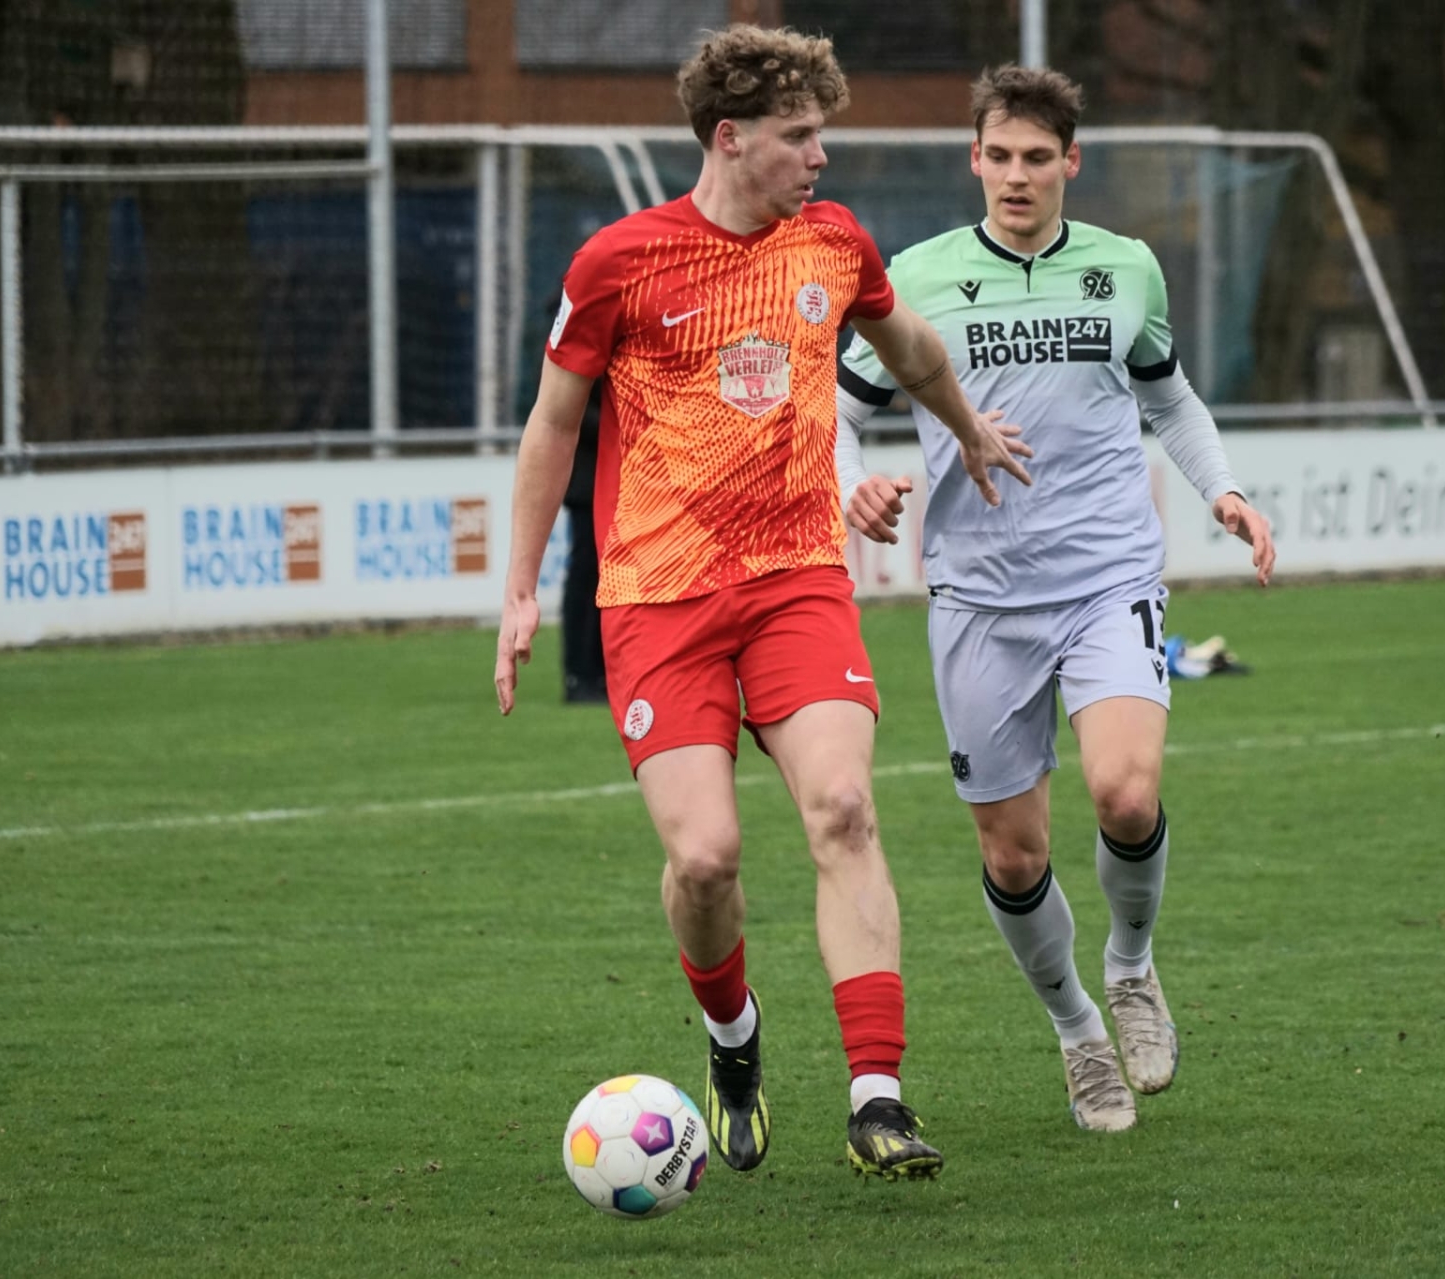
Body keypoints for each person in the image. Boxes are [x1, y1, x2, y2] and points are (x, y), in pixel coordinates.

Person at [492, 26, 1033, 1181]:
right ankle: (733, 1038)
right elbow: (552, 424)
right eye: (799, 136)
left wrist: (967, 427)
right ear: (730, 139)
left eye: (821, 134)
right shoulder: (619, 262)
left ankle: (878, 1099)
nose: (820, 157)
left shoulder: (833, 241)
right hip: (658, 598)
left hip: (797, 580)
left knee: (843, 807)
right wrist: (522, 585)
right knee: (705, 860)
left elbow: (911, 345)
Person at [835, 65, 1275, 1133]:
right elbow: (835, 409)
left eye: (1039, 157)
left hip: (1107, 576)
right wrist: (854, 482)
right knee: (1014, 852)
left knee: (1126, 794)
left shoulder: (1125, 269)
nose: (1018, 176)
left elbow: (1170, 398)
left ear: (1072, 161)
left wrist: (1221, 490)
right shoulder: (916, 277)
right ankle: (1079, 1030)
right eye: (1000, 156)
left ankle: (1130, 966)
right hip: (980, 600)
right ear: (973, 160)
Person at [559, 381, 606, 704]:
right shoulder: (575, 354)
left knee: (607, 580)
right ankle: (579, 674)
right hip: (587, 485)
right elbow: (569, 411)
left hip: (619, 481)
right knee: (586, 577)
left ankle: (602, 673)